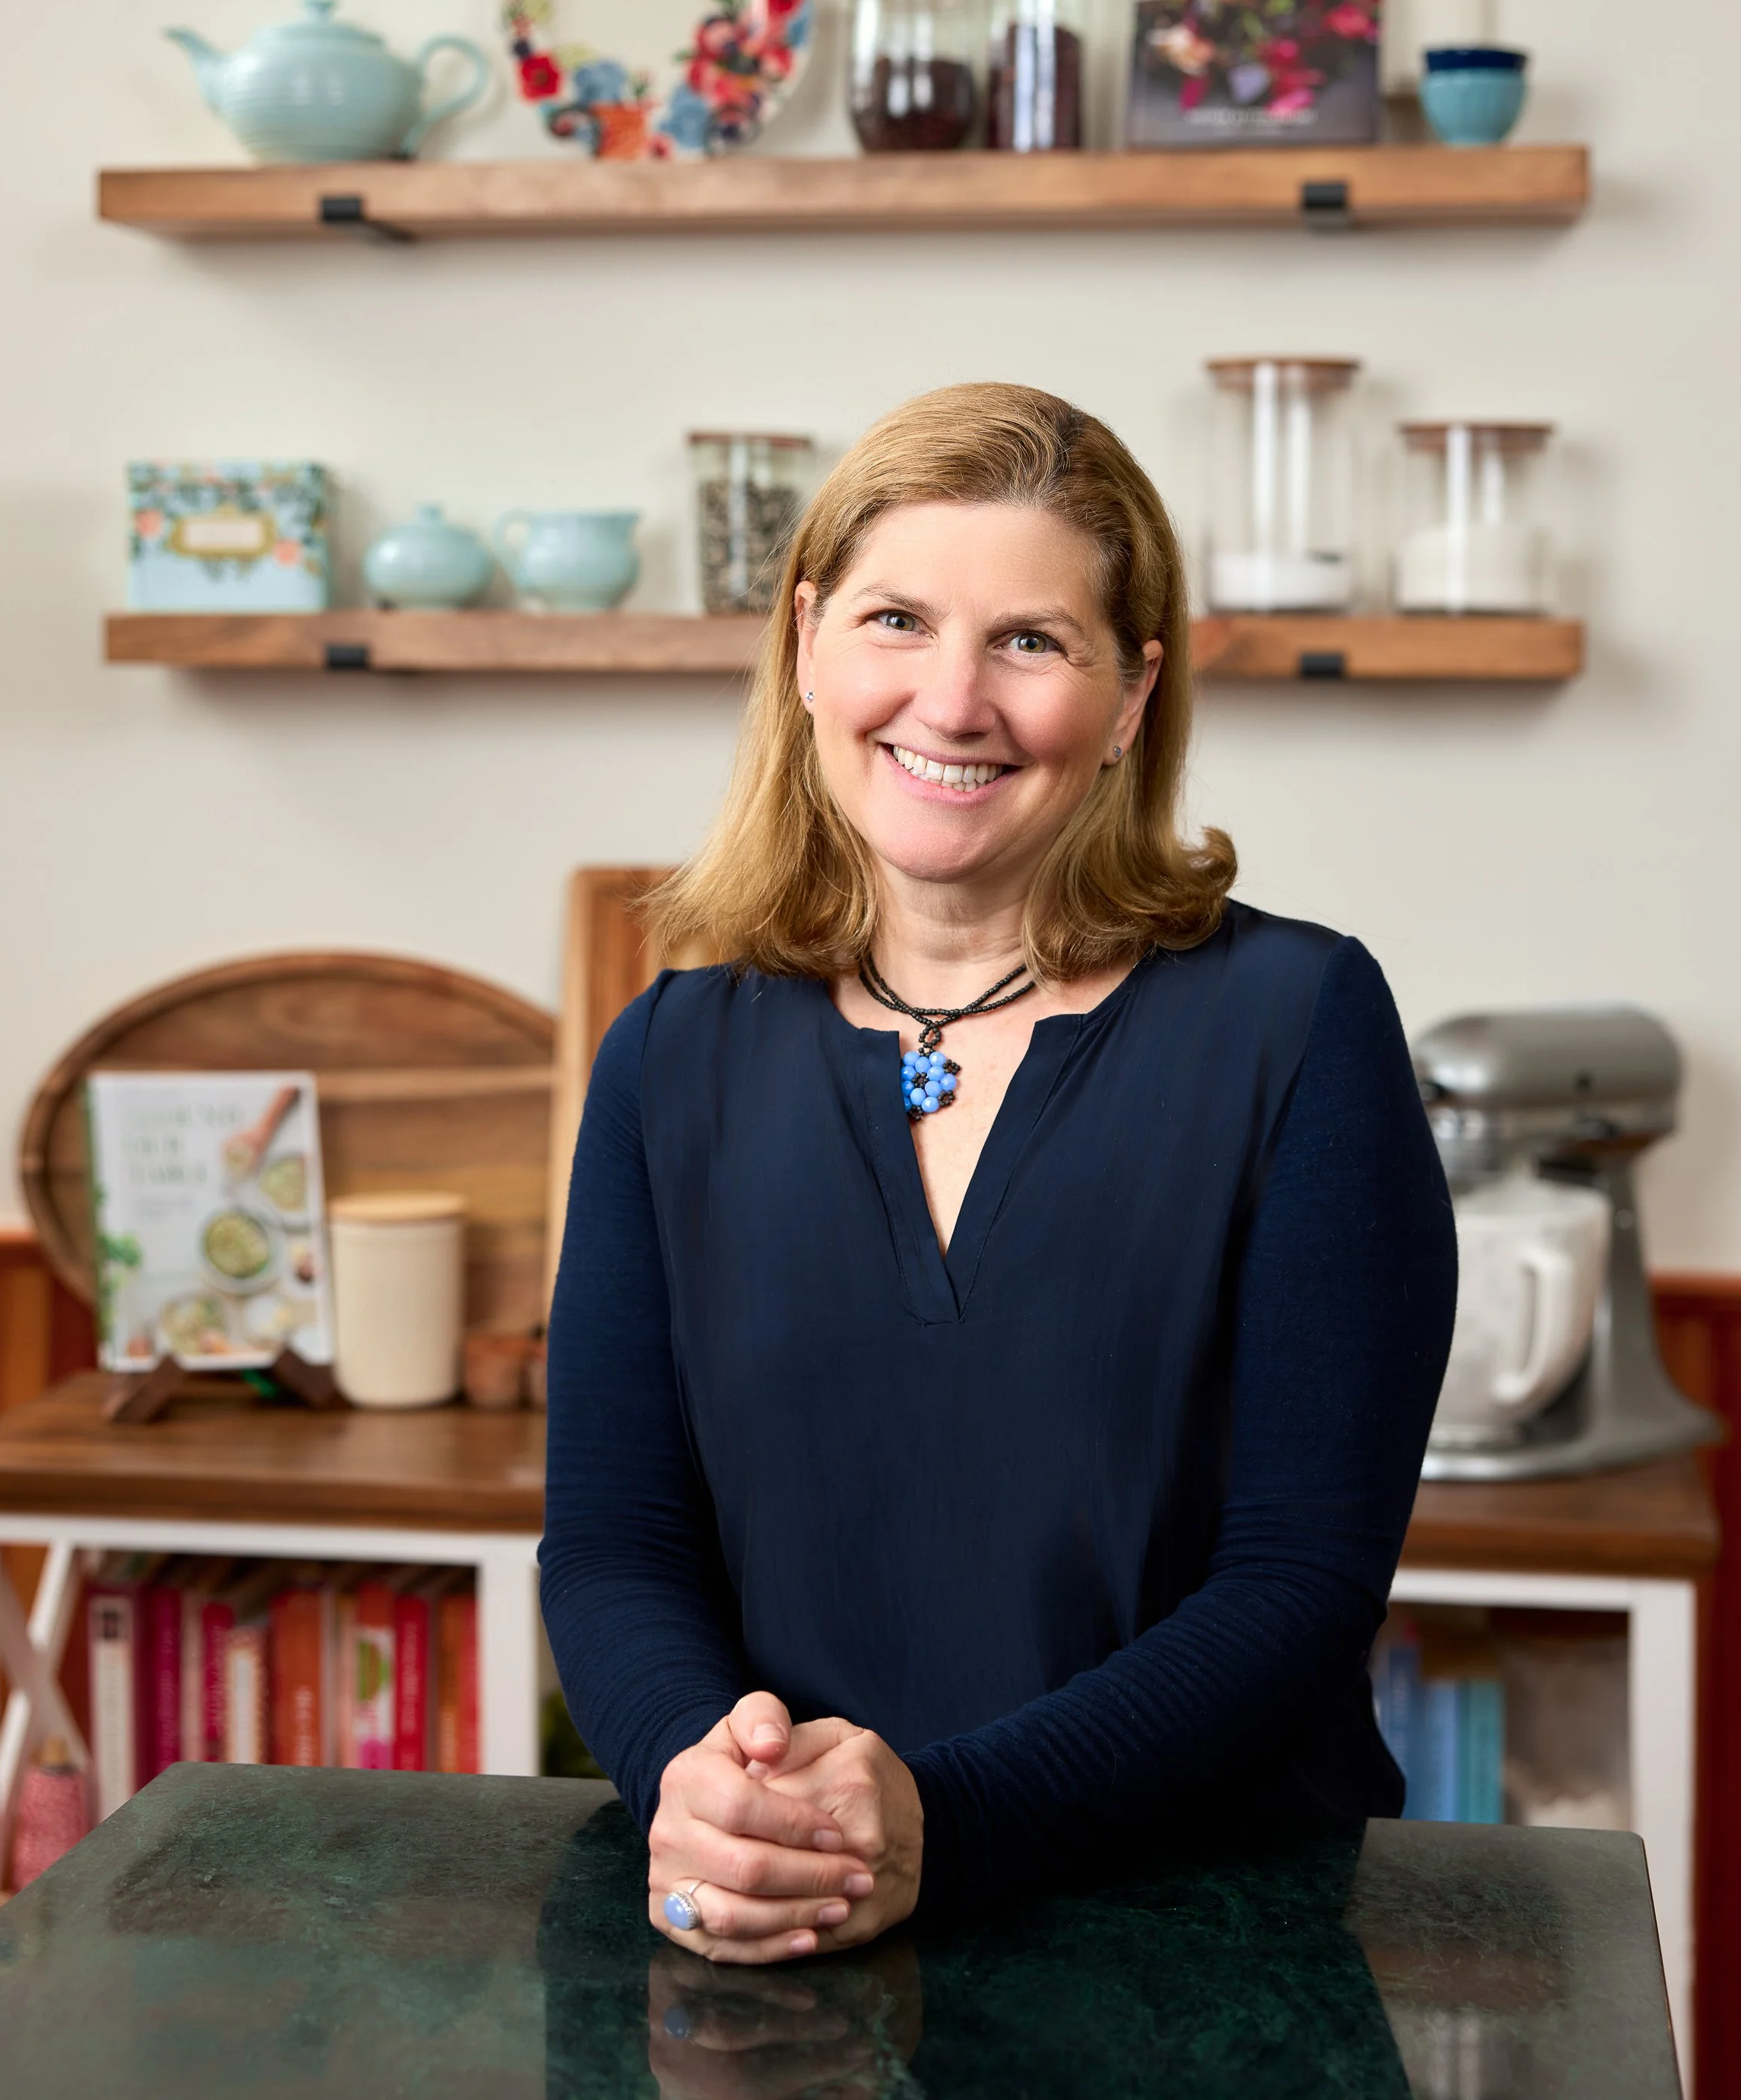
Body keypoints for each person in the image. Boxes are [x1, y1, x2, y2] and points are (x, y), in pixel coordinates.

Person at [541, 382, 1457, 1967]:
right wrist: (696, 1776)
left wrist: (942, 1819)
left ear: (1127, 695)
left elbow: (1298, 1580)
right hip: (779, 1933)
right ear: (807, 643)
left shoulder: (1297, 1021)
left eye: (1028, 641)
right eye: (896, 618)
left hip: (1205, 1948)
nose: (949, 700)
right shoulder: (665, 1054)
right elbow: (615, 1537)